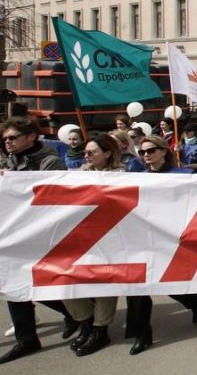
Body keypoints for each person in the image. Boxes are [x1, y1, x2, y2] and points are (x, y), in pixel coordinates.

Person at [0, 118, 78, 365]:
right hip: (11, 232)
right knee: (14, 283)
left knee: (37, 282)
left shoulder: (50, 161)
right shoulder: (8, 161)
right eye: (5, 139)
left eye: (12, 137)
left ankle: (74, 313)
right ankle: (27, 339)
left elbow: (54, 196)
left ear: (31, 136)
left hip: (39, 232)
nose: (7, 142)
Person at [125, 136, 197, 355]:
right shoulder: (137, 178)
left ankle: (194, 301)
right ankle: (142, 334)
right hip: (143, 239)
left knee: (168, 283)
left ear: (164, 151)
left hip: (173, 239)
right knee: (137, 287)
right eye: (142, 152)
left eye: (150, 150)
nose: (146, 155)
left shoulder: (184, 176)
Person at [62, 134, 124, 357]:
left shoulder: (122, 176)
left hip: (109, 238)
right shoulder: (76, 176)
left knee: (104, 282)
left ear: (107, 153)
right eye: (85, 153)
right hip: (79, 238)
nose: (86, 156)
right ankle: (84, 321)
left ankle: (100, 329)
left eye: (91, 152)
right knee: (63, 278)